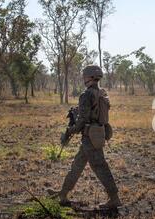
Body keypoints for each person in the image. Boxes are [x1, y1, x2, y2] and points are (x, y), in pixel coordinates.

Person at [50, 65, 122, 209]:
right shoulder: (101, 93)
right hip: (96, 135)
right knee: (77, 165)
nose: (83, 78)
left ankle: (114, 198)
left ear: (89, 77)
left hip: (90, 137)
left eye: (84, 76)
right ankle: (63, 193)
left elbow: (82, 120)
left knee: (100, 167)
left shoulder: (86, 95)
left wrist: (70, 131)